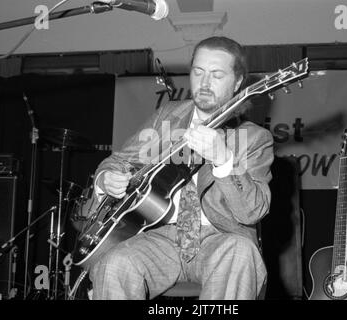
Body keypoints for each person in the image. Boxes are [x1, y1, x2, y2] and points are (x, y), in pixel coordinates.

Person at [89, 36, 274, 300]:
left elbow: (252, 212)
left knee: (241, 252)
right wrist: (106, 179)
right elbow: (118, 161)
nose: (205, 83)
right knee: (114, 263)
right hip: (159, 237)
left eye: (217, 74)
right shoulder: (168, 115)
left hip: (219, 239)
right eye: (198, 72)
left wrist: (224, 160)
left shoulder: (254, 138)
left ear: (237, 82)